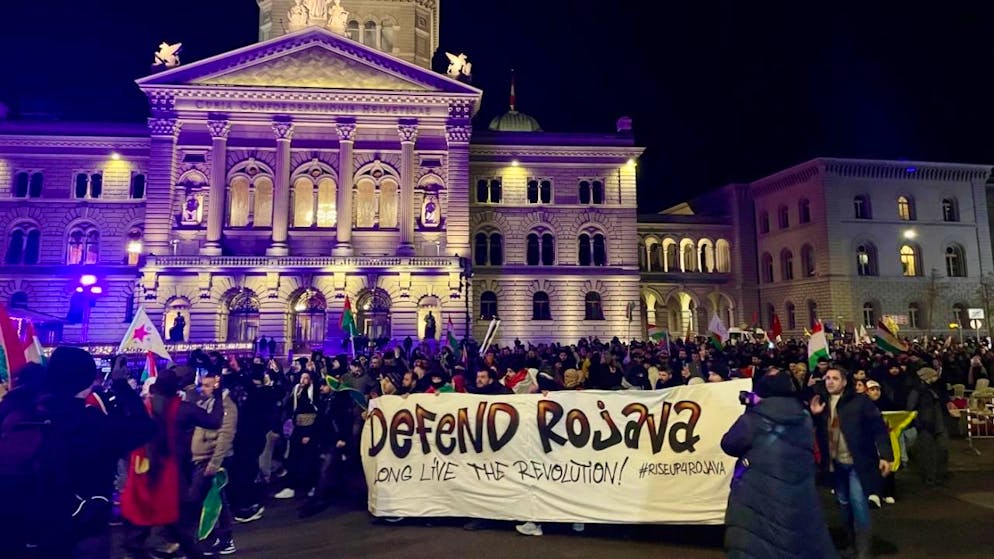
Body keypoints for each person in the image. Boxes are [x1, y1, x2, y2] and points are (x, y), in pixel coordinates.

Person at [1, 349, 154, 559]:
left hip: (21, 527)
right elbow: (145, 429)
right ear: (89, 380)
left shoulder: (19, 413)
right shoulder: (92, 422)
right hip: (81, 530)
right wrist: (121, 385)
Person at [721, 367, 836, 559]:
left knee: (759, 541)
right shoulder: (805, 417)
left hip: (757, 494)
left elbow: (728, 444)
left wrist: (751, 408)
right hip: (798, 493)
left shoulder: (754, 418)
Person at [811, 367, 894, 559]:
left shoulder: (860, 402)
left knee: (859, 504)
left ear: (844, 382)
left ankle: (864, 551)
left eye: (835, 378)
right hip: (835, 464)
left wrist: (885, 455)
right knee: (844, 504)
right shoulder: (822, 403)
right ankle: (849, 544)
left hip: (858, 462)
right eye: (827, 378)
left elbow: (879, 428)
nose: (830, 382)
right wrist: (815, 415)